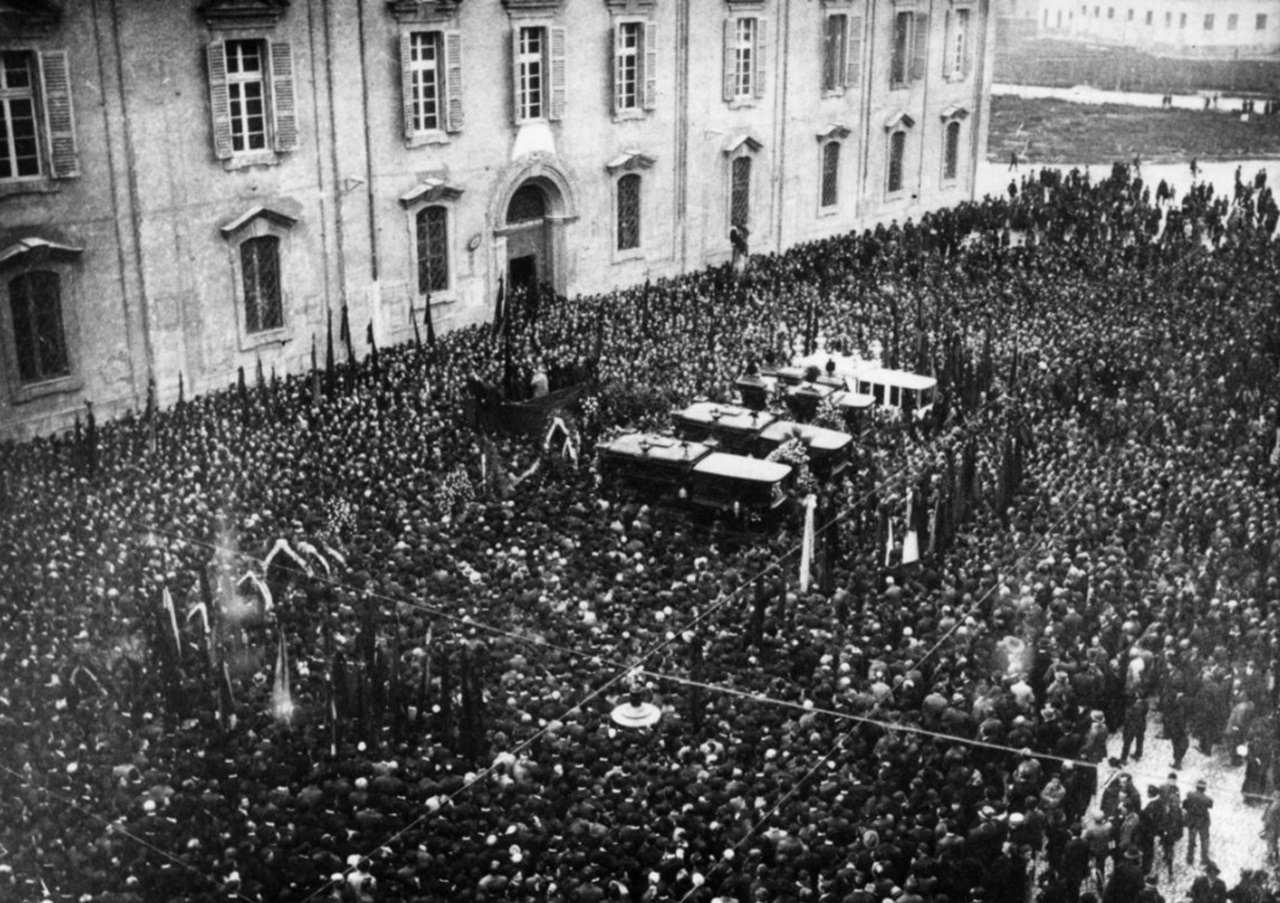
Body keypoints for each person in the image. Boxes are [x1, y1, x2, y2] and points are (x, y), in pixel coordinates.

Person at [1183, 779, 1214, 867]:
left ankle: (1190, 857)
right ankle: (1204, 859)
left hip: (1192, 821)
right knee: (1204, 840)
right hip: (1203, 822)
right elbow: (1210, 805)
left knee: (1191, 840)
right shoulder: (1207, 799)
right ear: (1204, 789)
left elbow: (1187, 798)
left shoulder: (1190, 794)